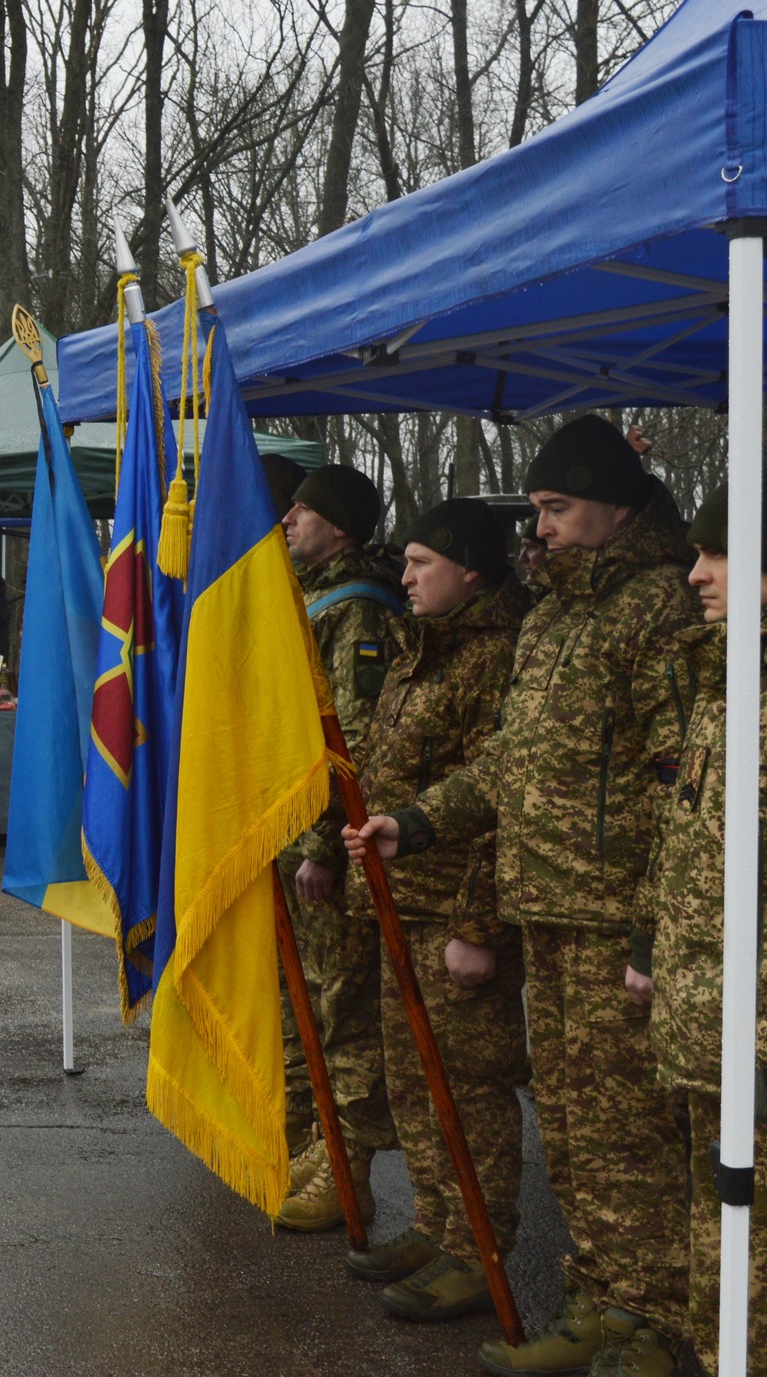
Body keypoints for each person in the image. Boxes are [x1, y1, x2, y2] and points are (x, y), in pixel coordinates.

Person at [347, 414, 697, 1377]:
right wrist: (417, 821)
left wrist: (650, 931)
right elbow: (511, 760)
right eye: (537, 508)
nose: (539, 528)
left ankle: (647, 1321)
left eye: (558, 507)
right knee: (575, 1134)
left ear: (616, 508)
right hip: (548, 908)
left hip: (611, 919)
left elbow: (681, 784)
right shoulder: (553, 618)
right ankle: (598, 1297)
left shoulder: (659, 608)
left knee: (626, 1136)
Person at [339, 498, 532, 1323]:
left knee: (468, 1088)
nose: (407, 577)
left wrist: (477, 924)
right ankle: (437, 1222)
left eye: (423, 563)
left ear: (472, 571)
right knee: (417, 1080)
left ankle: (478, 1248)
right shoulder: (424, 644)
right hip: (403, 899)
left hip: (454, 906)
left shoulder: (497, 656)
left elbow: (503, 799)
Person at [641, 484, 765, 1375]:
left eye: (718, 553)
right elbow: (689, 841)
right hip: (709, 1029)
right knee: (720, 1245)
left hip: (753, 1040)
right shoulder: (726, 682)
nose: (694, 574)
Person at [273, 464, 406, 1231]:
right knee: (309, 1006)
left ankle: (346, 1168)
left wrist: (322, 844)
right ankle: (315, 1141)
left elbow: (348, 741)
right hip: (294, 837)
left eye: (304, 510)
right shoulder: (311, 595)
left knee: (344, 1011)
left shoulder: (357, 610)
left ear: (342, 526)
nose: (288, 520)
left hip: (327, 847)